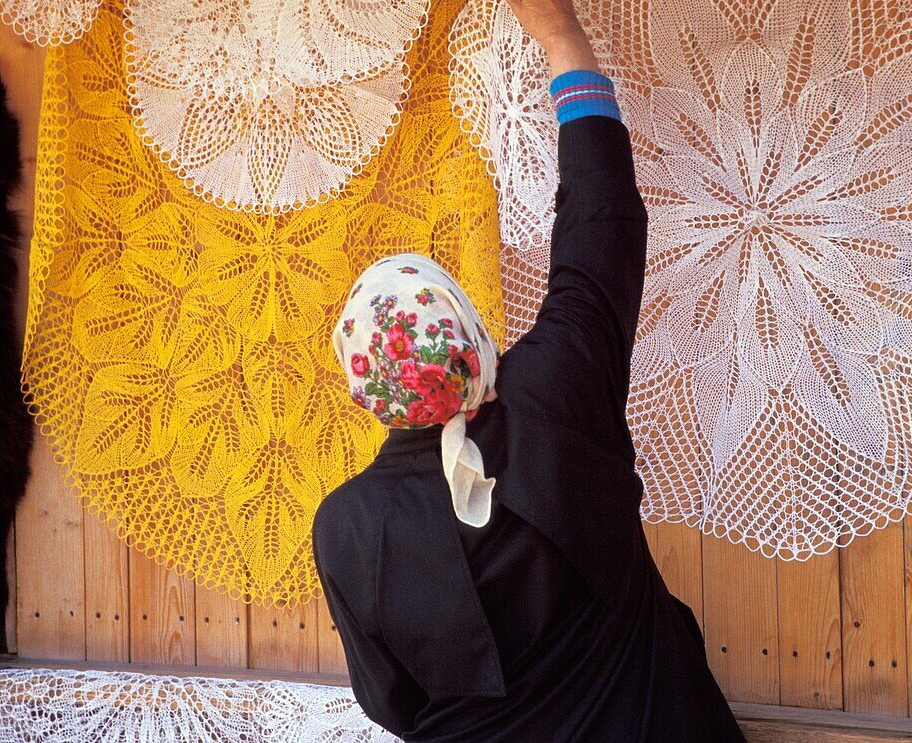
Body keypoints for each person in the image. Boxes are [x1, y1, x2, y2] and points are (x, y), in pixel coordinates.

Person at [313, 1, 745, 739]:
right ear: (473, 334)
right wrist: (559, 35)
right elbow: (600, 219)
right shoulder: (560, 386)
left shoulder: (349, 528)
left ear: (365, 392)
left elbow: (392, 703)